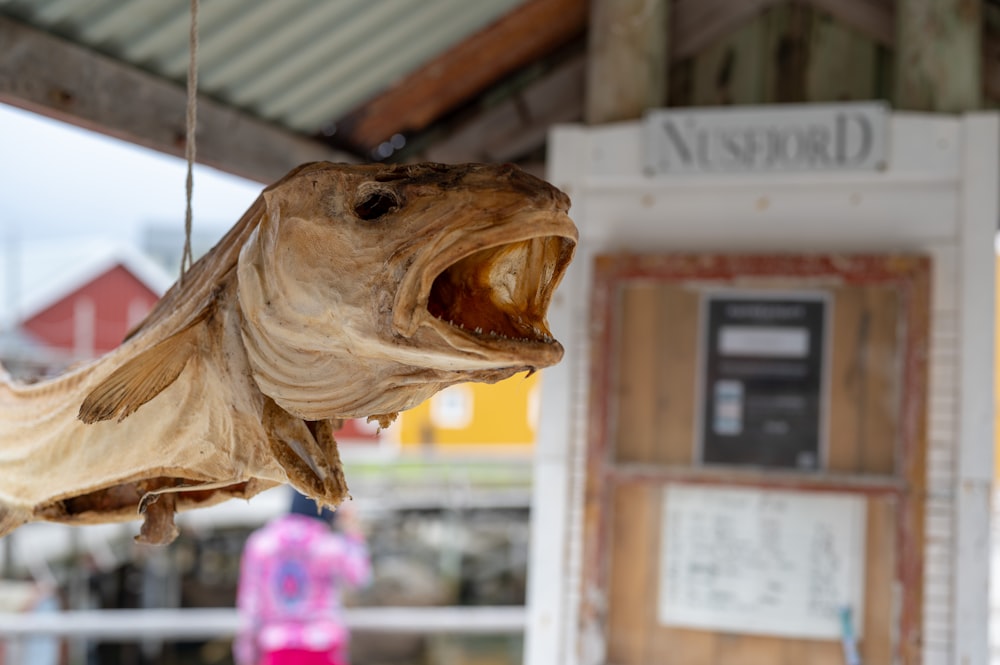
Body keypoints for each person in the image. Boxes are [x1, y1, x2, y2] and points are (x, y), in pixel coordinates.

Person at [234, 492, 372, 665]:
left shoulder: (261, 543)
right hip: (322, 644)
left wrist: (246, 653)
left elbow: (250, 603)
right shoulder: (329, 545)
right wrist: (352, 531)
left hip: (276, 645)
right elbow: (361, 578)